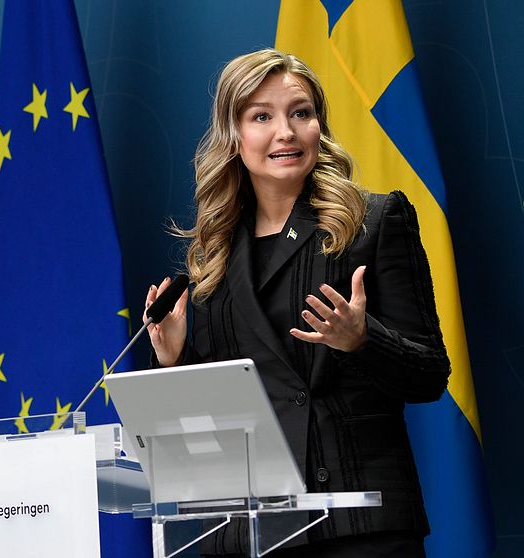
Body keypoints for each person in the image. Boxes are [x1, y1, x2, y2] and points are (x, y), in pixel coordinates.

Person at [146, 49, 450, 557]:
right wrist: (176, 359)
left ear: (318, 127)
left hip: (357, 527)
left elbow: (429, 375)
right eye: (261, 116)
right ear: (232, 137)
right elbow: (221, 408)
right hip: (246, 529)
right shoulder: (213, 251)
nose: (285, 131)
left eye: (301, 113)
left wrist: (362, 339)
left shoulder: (374, 221)